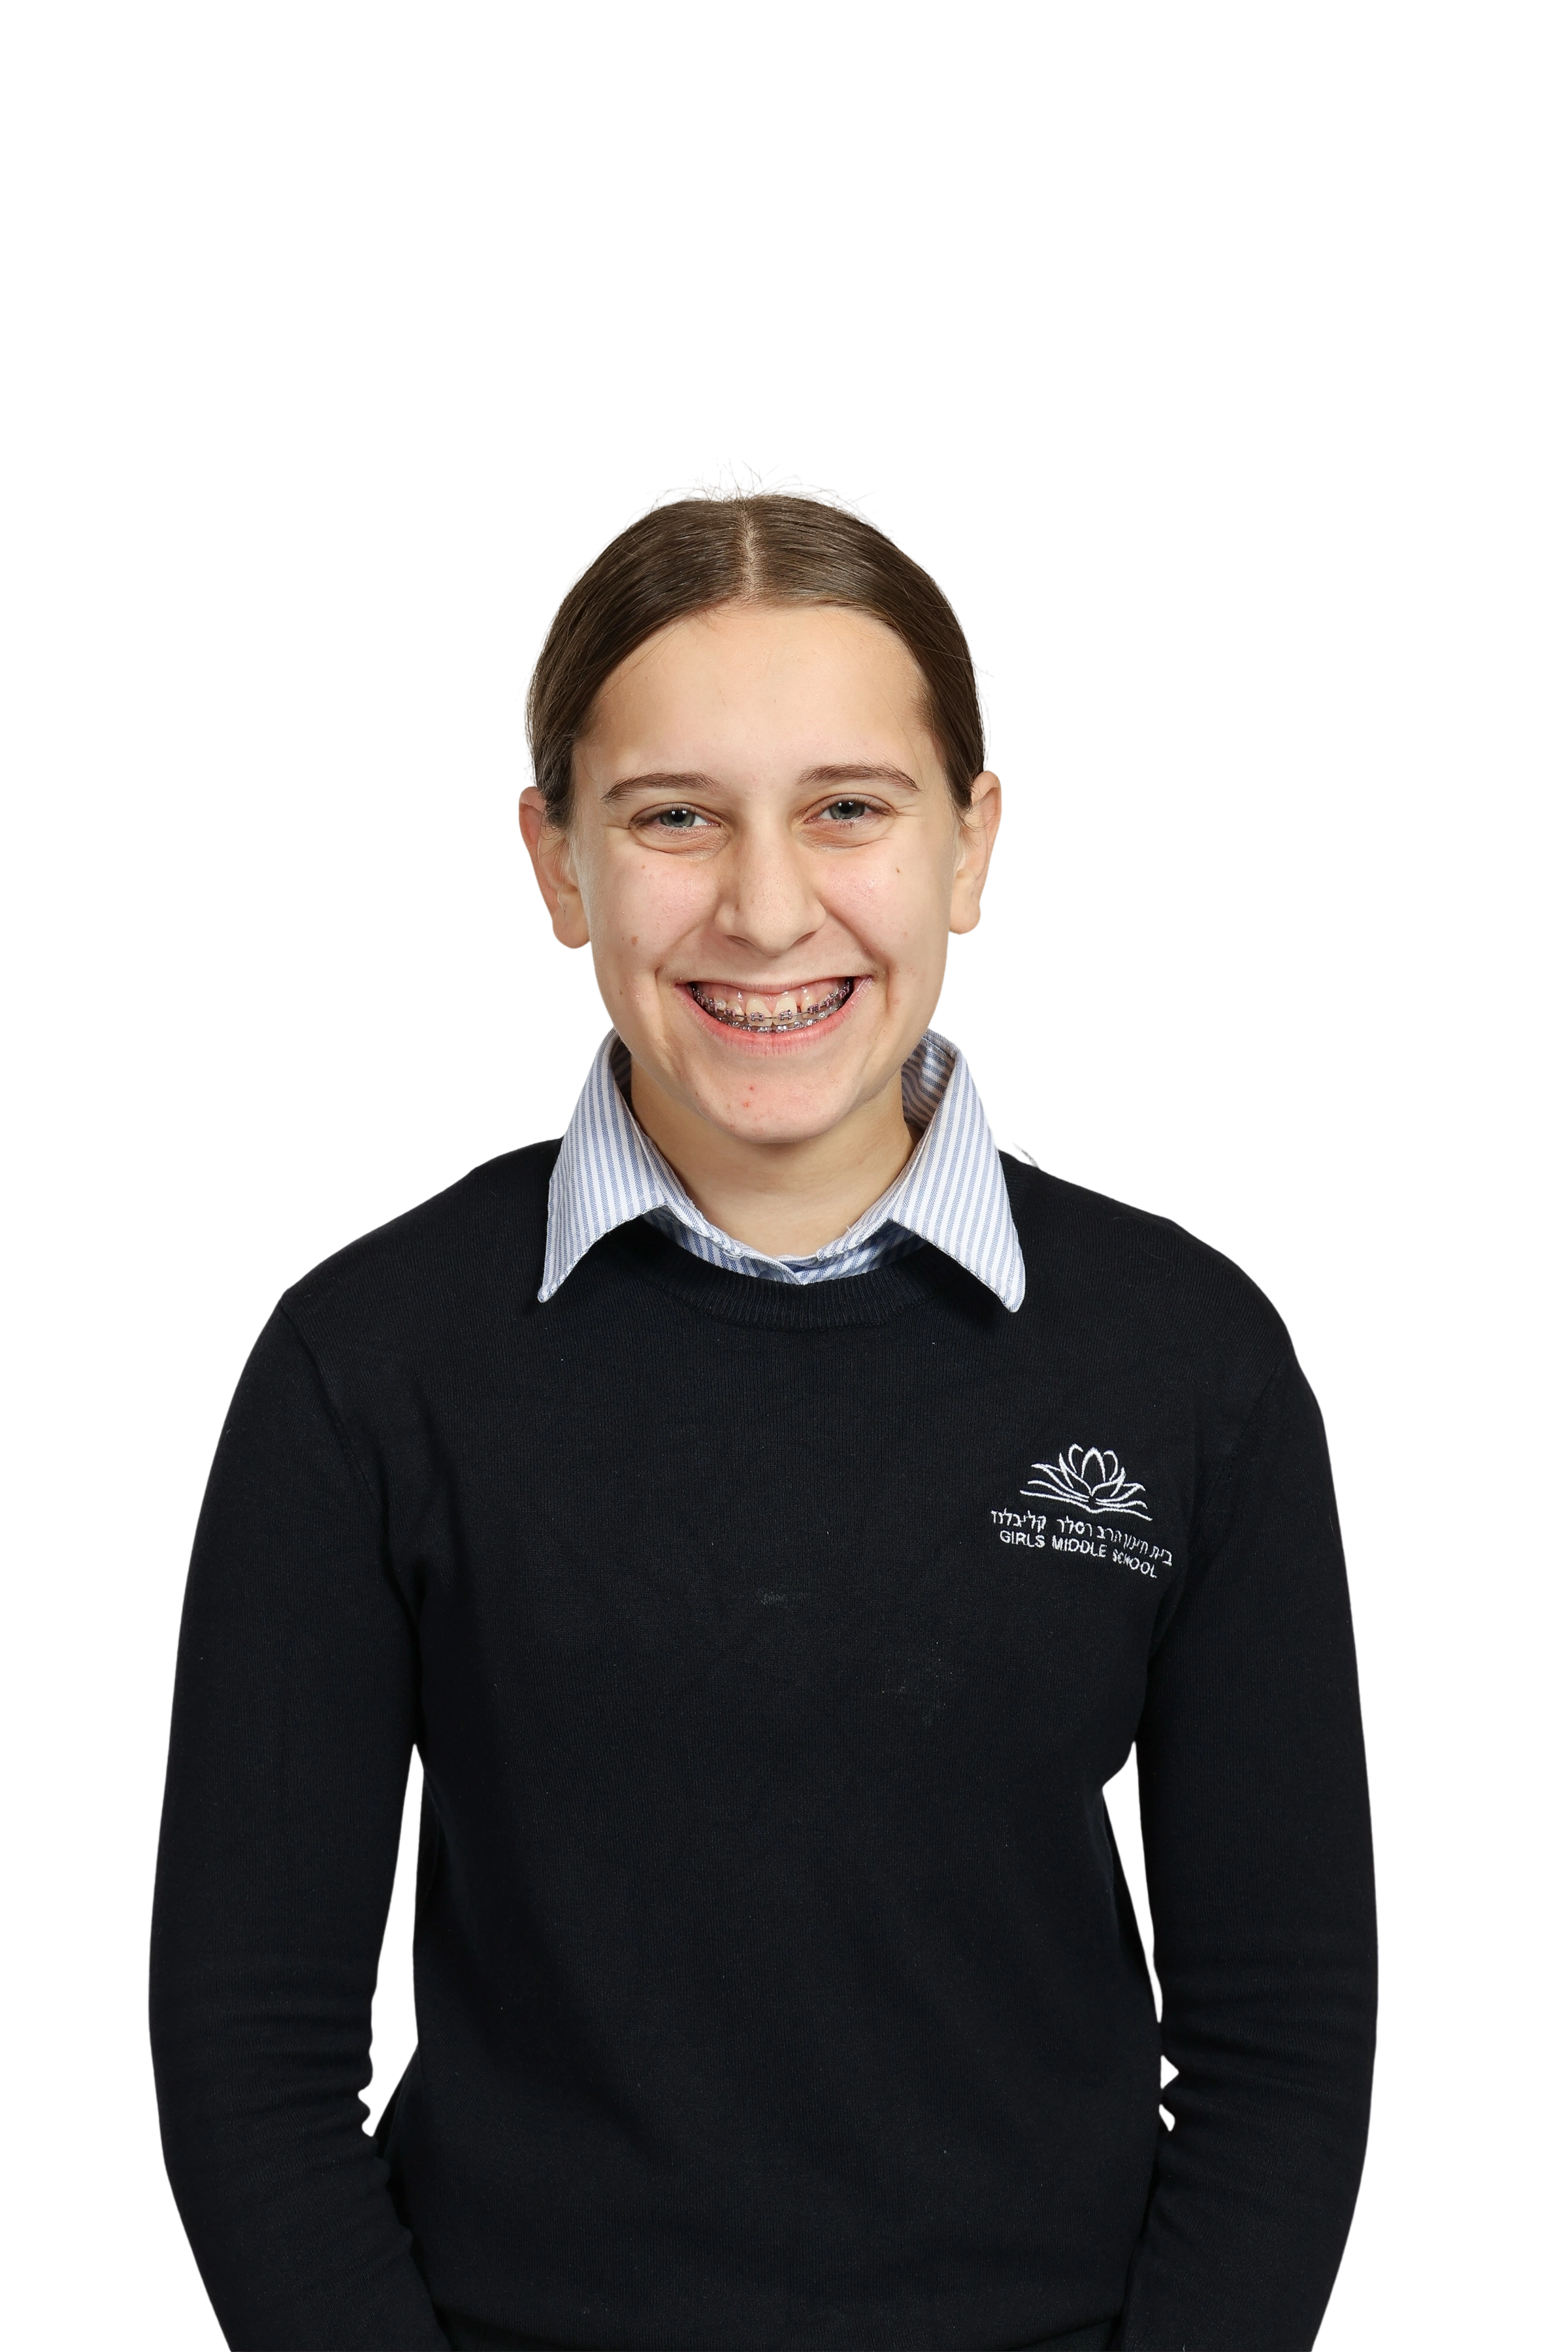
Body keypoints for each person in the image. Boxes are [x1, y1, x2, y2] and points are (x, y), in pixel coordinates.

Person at [146, 458, 1379, 2352]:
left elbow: (1286, 2040)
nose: (767, 906)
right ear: (557, 863)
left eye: (848, 809)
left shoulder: (1189, 1357)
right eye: (674, 817)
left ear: (972, 844)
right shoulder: (364, 1365)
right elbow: (247, 2053)